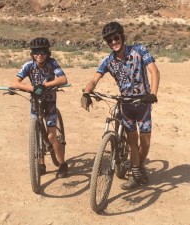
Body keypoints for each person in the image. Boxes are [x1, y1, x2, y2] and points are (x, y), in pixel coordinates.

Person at [81, 22, 160, 189]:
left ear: (122, 37)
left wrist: (153, 94)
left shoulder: (139, 50)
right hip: (126, 105)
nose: (113, 42)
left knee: (144, 142)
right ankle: (135, 171)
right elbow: (94, 79)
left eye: (116, 38)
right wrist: (86, 92)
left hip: (143, 103)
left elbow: (154, 71)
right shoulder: (108, 60)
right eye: (109, 41)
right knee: (132, 142)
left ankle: (138, 166)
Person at [12, 37, 69, 178]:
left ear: (47, 53)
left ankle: (62, 164)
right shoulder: (28, 65)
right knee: (37, 133)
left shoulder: (52, 63)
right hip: (35, 102)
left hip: (50, 102)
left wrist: (44, 86)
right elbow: (15, 82)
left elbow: (63, 79)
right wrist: (32, 88)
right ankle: (41, 163)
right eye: (36, 52)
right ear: (32, 53)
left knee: (51, 136)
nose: (39, 55)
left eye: (43, 52)